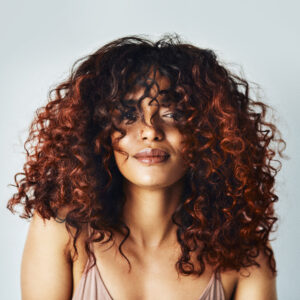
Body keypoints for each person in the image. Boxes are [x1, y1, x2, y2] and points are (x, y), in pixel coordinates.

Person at [7, 34, 285, 300]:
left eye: (172, 114)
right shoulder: (63, 231)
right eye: (129, 115)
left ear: (207, 131)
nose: (150, 131)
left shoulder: (245, 253)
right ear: (100, 131)